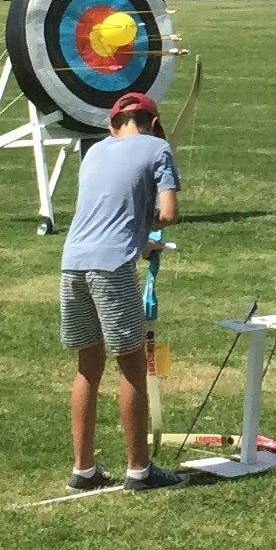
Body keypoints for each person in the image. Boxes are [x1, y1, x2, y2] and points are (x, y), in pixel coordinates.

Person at [58, 89, 183, 493]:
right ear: (153, 124)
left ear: (114, 123)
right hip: (112, 268)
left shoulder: (95, 152)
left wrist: (138, 236)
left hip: (73, 263)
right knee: (130, 364)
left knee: (87, 366)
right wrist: (147, 230)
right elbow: (168, 213)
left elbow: (106, 209)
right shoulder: (158, 148)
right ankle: (139, 470)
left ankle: (83, 468)